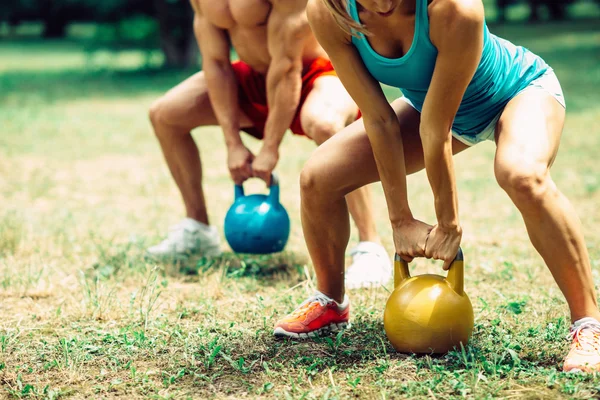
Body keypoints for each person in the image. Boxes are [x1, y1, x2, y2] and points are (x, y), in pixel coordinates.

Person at [273, 0, 600, 372]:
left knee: (522, 175)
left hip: (517, 91)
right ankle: (331, 302)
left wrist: (448, 223)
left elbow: (435, 125)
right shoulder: (330, 13)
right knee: (318, 177)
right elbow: (379, 120)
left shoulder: (454, 9)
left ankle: (589, 323)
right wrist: (400, 220)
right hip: (432, 110)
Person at [146, 0, 391, 288]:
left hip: (315, 71)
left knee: (326, 124)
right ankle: (198, 229)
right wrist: (232, 143)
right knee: (165, 115)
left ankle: (370, 247)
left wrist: (270, 147)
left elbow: (287, 65)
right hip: (254, 76)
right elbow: (216, 63)